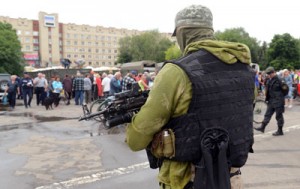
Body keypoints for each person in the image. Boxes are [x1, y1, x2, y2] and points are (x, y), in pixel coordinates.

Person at [126, 5, 255, 189]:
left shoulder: (176, 71)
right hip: (231, 178)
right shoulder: (244, 69)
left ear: (182, 33)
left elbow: (136, 140)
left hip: (188, 180)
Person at [254, 66, 285, 136]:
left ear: (273, 72)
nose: (269, 75)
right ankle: (262, 127)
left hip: (278, 101)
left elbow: (285, 90)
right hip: (271, 100)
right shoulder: (269, 79)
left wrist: (280, 97)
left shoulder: (280, 79)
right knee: (267, 114)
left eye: (270, 74)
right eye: (268, 74)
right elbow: (267, 88)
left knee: (278, 116)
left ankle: (280, 131)